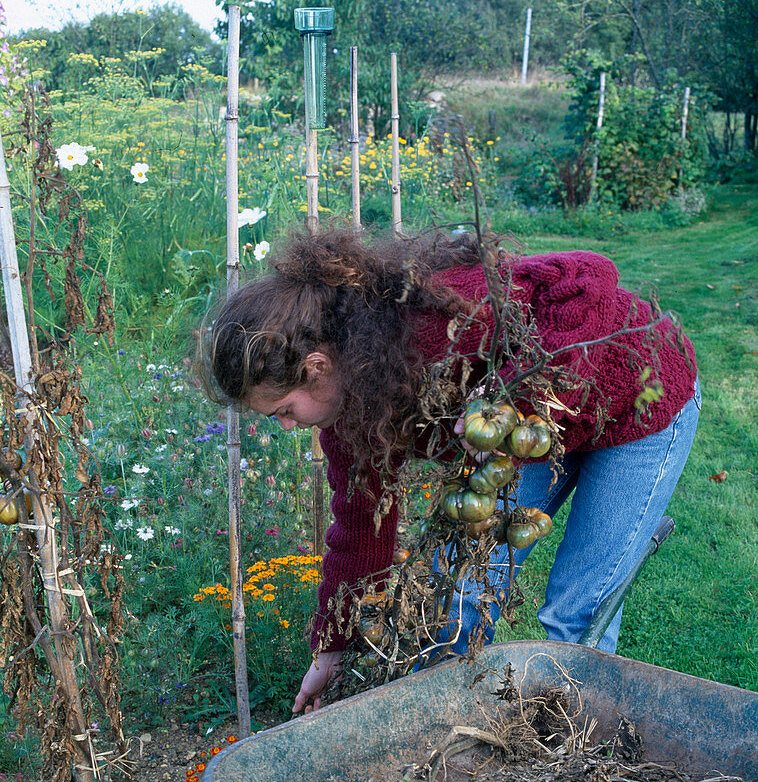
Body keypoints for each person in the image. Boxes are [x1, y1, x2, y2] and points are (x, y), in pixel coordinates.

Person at [203, 227, 699, 714]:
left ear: (316, 366)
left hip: (638, 398)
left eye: (284, 410)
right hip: (531, 430)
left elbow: (587, 280)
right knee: (455, 592)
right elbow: (360, 529)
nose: (289, 425)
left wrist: (509, 396)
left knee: (576, 612)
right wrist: (335, 645)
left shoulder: (435, 324)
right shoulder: (350, 417)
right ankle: (446, 734)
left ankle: (577, 755)